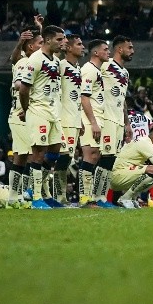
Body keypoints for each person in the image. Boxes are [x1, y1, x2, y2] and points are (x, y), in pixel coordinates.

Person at [18, 25, 66, 209]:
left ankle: (34, 188)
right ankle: (37, 198)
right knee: (38, 154)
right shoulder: (35, 59)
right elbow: (24, 89)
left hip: (54, 113)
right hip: (39, 111)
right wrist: (27, 109)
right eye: (59, 39)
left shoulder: (55, 60)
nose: (63, 43)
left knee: (54, 153)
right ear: (47, 40)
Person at [94, 35, 134, 206]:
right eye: (129, 47)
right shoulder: (105, 65)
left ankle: (103, 197)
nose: (132, 51)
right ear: (119, 49)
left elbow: (122, 99)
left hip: (118, 120)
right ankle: (97, 196)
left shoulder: (125, 72)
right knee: (105, 157)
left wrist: (127, 123)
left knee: (111, 160)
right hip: (106, 118)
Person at [6, 26, 42, 207]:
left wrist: (40, 28)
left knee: (22, 156)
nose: (43, 46)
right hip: (20, 115)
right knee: (27, 155)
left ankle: (16, 196)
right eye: (40, 43)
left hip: (26, 115)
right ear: (30, 47)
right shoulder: (25, 62)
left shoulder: (34, 61)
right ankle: (21, 196)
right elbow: (19, 84)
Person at [78, 39, 113, 208]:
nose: (108, 52)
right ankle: (84, 197)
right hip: (90, 118)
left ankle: (88, 196)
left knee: (95, 155)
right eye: (105, 49)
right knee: (90, 155)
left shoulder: (97, 70)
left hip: (97, 117)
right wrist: (93, 122)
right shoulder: (89, 70)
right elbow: (84, 97)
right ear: (96, 52)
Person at [110, 124, 153, 209]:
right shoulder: (145, 143)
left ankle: (132, 199)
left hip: (126, 174)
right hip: (117, 176)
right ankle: (125, 198)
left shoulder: (152, 145)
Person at [53, 34, 85, 206]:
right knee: (62, 158)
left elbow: (77, 97)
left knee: (66, 159)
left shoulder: (78, 68)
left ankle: (60, 197)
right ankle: (51, 195)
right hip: (62, 120)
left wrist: (80, 120)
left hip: (74, 120)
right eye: (79, 44)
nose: (83, 47)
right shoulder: (61, 65)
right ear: (69, 48)